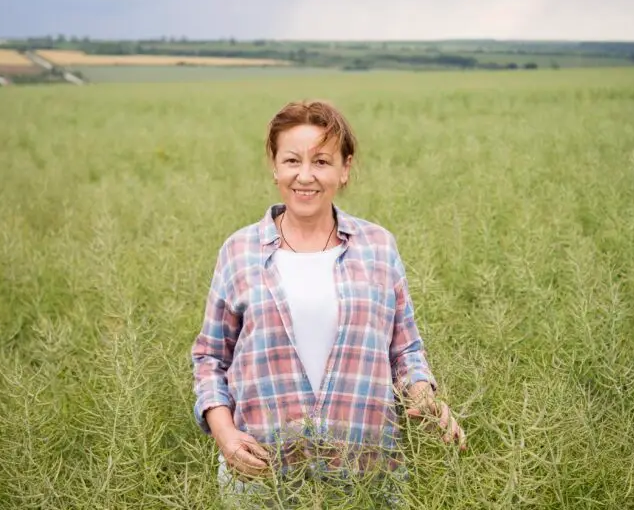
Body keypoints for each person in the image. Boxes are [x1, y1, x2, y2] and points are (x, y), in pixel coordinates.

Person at [191, 99, 465, 507]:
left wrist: (424, 399)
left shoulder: (377, 246)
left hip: (367, 472)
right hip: (263, 478)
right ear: (275, 166)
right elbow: (211, 358)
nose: (305, 176)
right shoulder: (239, 251)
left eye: (321, 161)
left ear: (345, 169)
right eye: (292, 160)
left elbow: (404, 349)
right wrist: (226, 436)